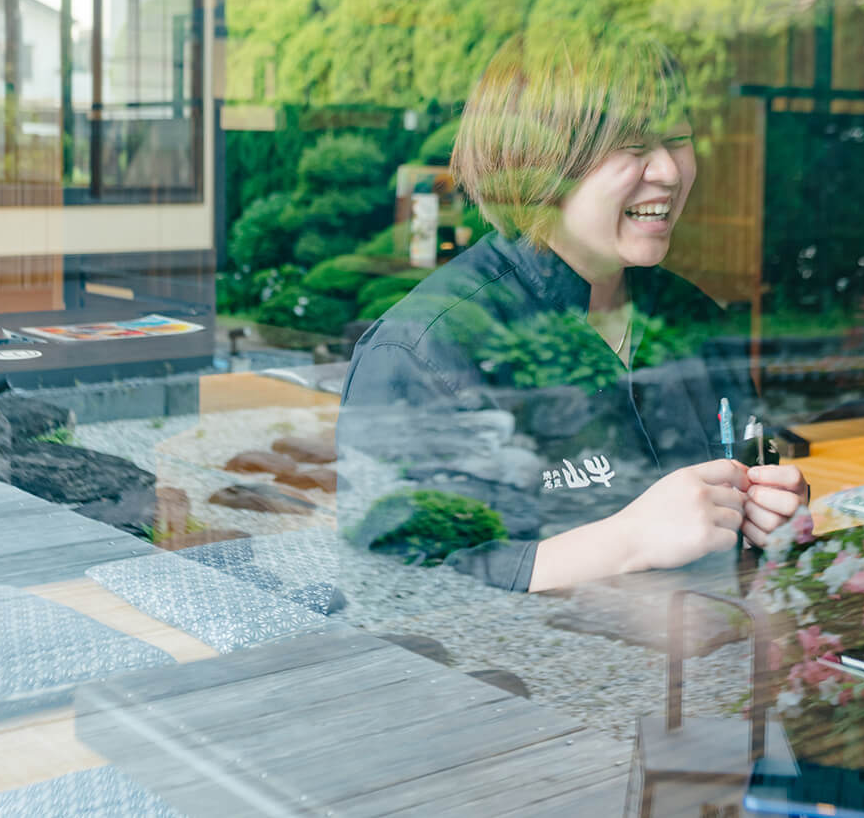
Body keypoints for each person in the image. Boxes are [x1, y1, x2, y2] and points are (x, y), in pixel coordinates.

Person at [335, 35, 807, 592]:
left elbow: (753, 465)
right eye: (632, 146)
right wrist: (629, 540)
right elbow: (394, 587)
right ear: (539, 167)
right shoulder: (427, 348)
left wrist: (772, 512)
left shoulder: (686, 315)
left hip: (706, 662)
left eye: (678, 139)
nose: (670, 171)